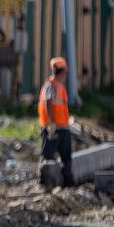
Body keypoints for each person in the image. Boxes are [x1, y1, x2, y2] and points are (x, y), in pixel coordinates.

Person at [38, 57, 74, 187]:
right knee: (47, 157)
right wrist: (52, 123)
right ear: (61, 72)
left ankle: (68, 184)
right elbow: (48, 104)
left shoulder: (58, 86)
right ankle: (44, 183)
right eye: (65, 72)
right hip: (52, 128)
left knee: (66, 158)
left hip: (63, 127)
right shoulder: (51, 86)